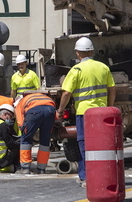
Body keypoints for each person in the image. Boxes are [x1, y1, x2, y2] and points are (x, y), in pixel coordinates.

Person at [56, 37, 116, 188]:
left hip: (84, 114)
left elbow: (66, 94)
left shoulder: (76, 70)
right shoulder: (103, 67)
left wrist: (60, 110)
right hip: (102, 113)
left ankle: (86, 177)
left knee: (84, 145)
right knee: (101, 144)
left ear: (78, 53)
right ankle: (102, 174)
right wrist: (109, 107)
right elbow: (112, 89)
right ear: (92, 51)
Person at [14, 93, 56, 174]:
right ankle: (42, 169)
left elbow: (20, 119)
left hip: (34, 111)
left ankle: (25, 168)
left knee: (25, 140)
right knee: (45, 141)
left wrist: (22, 128)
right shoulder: (37, 96)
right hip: (50, 109)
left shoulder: (19, 103)